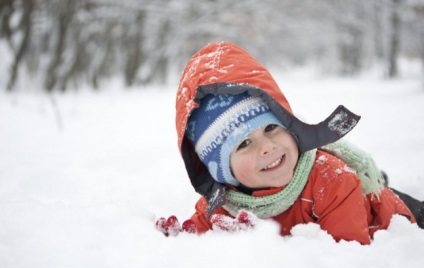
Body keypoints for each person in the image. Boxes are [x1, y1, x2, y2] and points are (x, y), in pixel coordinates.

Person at [155, 41, 424, 243]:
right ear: (222, 172)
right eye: (244, 144)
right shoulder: (221, 204)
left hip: (386, 216)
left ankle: (384, 185)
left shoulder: (332, 181)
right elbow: (197, 237)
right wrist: (181, 240)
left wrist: (264, 254)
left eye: (271, 127)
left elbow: (346, 259)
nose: (268, 146)